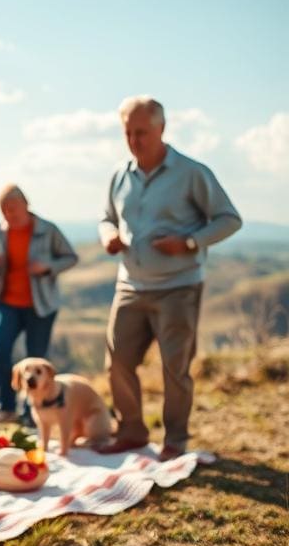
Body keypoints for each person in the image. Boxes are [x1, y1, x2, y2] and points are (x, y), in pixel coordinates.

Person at [97, 95, 241, 460]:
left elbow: (229, 219)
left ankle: (175, 440)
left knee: (175, 368)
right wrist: (107, 236)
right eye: (128, 132)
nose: (134, 140)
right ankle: (131, 431)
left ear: (162, 128)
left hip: (179, 288)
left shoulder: (192, 173)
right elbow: (107, 218)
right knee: (118, 363)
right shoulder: (118, 174)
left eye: (141, 132)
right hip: (130, 285)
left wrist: (190, 242)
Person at [0, 185, 78, 424]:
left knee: (36, 358)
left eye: (12, 209)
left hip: (40, 304)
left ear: (26, 204)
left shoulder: (47, 230)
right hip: (8, 302)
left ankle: (32, 411)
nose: (9, 215)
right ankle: (6, 404)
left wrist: (47, 267)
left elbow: (70, 257)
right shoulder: (0, 231)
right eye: (4, 211)